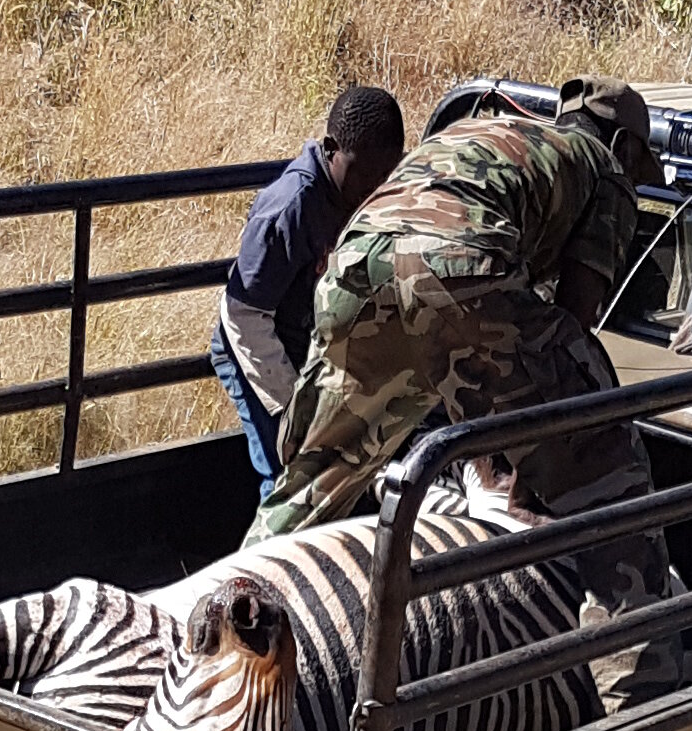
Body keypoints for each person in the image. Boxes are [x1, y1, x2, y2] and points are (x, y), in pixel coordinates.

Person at [255, 80, 660, 542]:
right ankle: (631, 607)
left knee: (315, 480)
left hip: (356, 265)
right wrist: (532, 482)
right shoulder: (606, 168)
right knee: (607, 456)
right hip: (457, 266)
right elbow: (572, 322)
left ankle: (239, 588)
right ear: (624, 145)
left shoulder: (491, 132)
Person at [208, 84, 408, 483]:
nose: (372, 188)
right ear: (332, 149)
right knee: (290, 476)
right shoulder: (290, 209)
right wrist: (291, 405)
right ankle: (277, 543)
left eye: (383, 176)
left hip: (313, 353)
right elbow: (244, 315)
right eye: (363, 174)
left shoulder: (371, 197)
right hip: (261, 354)